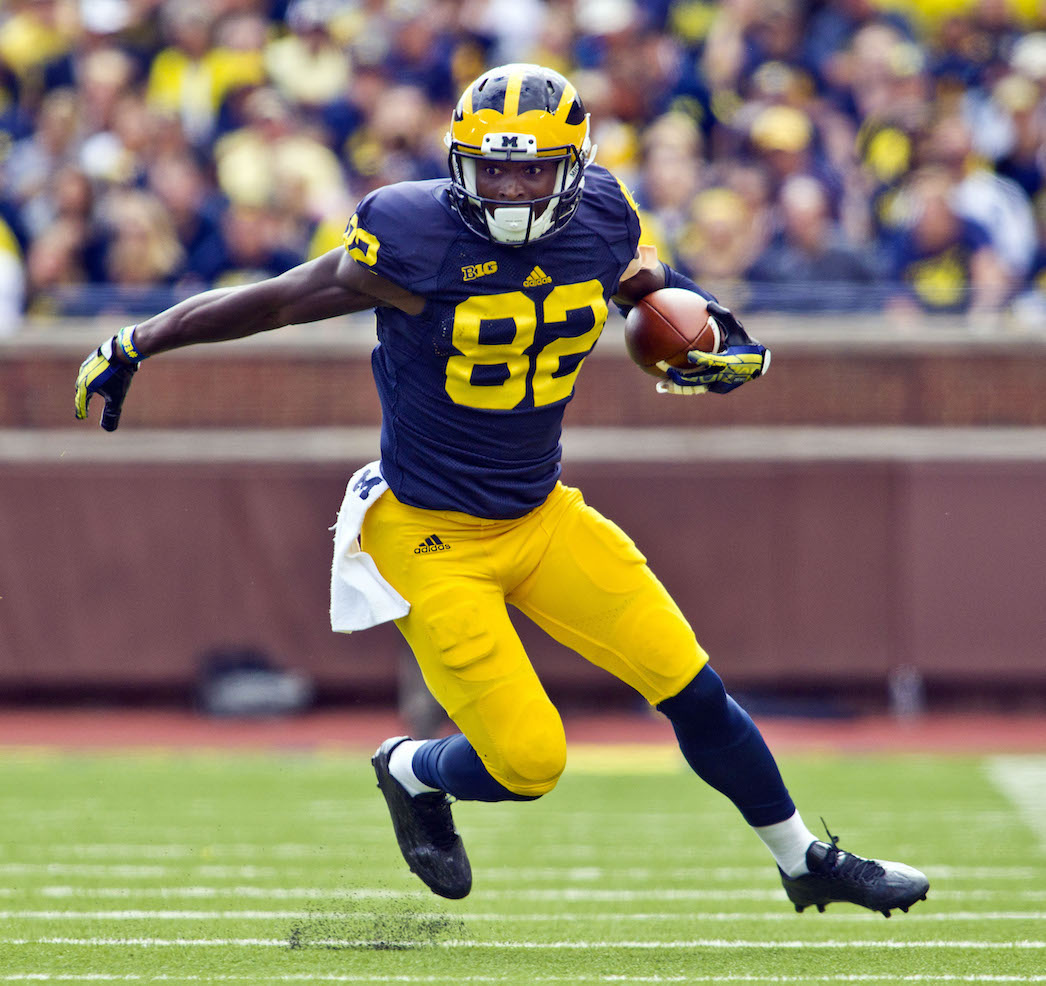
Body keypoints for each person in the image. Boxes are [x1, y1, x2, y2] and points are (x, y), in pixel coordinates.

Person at [75, 63, 928, 916]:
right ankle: (411, 769)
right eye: (493, 169)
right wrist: (138, 342)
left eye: (532, 170)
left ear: (573, 169)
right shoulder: (410, 236)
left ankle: (801, 859)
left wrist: (717, 328)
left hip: (540, 514)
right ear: (459, 165)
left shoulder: (603, 216)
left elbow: (649, 287)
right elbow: (277, 301)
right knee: (529, 762)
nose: (512, 190)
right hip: (427, 535)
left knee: (694, 689)